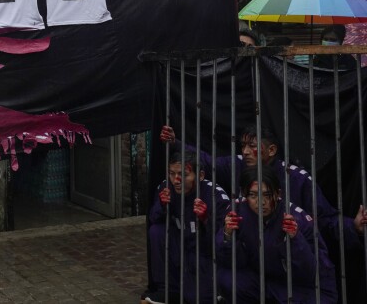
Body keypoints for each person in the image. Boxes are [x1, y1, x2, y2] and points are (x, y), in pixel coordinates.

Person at [160, 124, 366, 253]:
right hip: (248, 255)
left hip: (287, 255)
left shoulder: (296, 179)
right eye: (243, 146)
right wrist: (176, 143)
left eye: (253, 146)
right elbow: (208, 162)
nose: (246, 151)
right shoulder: (239, 164)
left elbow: (324, 218)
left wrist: (352, 226)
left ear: (272, 150)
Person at [217, 166, 337, 302]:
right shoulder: (237, 211)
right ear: (244, 194)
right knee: (228, 279)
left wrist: (295, 239)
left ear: (278, 194)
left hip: (305, 286)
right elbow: (231, 262)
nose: (261, 202)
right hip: (267, 279)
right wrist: (227, 236)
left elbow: (310, 272)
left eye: (267, 195)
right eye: (253, 195)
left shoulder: (297, 218)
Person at [143, 150, 230, 303]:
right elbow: (153, 218)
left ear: (201, 175)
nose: (176, 180)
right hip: (180, 245)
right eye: (171, 173)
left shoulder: (215, 195)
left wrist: (205, 219)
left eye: (183, 175)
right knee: (156, 231)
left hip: (204, 252)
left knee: (194, 297)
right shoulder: (166, 187)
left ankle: (213, 290)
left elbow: (222, 241)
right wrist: (162, 206)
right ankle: (166, 288)